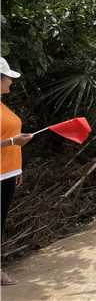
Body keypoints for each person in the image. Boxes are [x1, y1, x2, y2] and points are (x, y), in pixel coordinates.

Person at [1, 58, 33, 286]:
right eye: (8, 77)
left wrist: (17, 168)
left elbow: (13, 142)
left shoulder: (3, 106)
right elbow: (10, 140)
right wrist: (13, 140)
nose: (11, 81)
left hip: (8, 174)